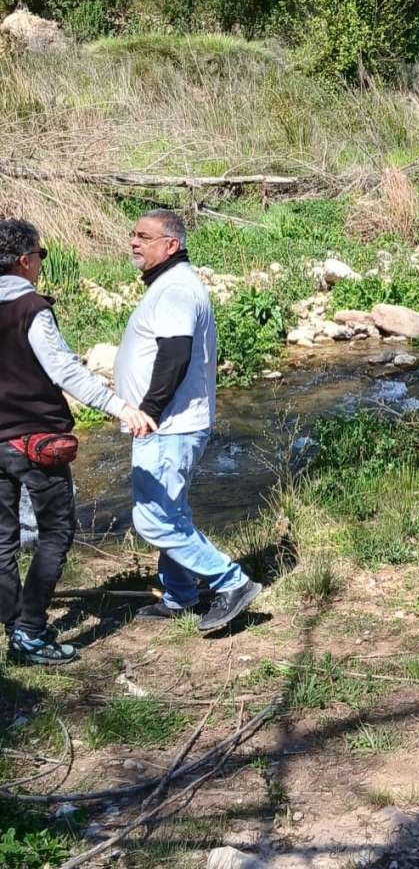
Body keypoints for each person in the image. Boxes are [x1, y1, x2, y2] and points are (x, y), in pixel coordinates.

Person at [0, 218, 154, 666]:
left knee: (3, 540)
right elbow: (64, 372)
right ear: (25, 261)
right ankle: (29, 633)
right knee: (55, 533)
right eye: (41, 257)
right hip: (35, 443)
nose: (41, 265)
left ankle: (16, 626)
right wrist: (120, 407)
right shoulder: (30, 308)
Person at [115, 209, 262, 632]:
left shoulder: (177, 289)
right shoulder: (170, 285)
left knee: (154, 518)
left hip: (170, 424)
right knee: (170, 511)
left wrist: (150, 412)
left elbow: (175, 354)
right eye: (133, 234)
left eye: (144, 236)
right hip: (170, 424)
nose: (134, 242)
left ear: (171, 245)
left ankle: (230, 582)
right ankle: (181, 595)